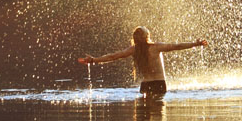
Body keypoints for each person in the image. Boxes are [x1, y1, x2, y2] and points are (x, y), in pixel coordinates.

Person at [78, 26, 208, 99]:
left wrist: (94, 60)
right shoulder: (155, 47)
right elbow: (176, 46)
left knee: (142, 117)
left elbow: (113, 56)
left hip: (145, 85)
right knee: (157, 116)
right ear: (147, 36)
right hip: (159, 84)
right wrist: (195, 44)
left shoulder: (133, 50)